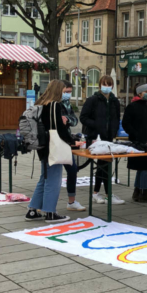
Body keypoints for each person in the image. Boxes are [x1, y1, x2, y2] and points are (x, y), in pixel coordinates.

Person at [25, 80, 83, 223]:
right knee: (53, 180)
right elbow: (58, 129)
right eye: (64, 90)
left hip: (42, 145)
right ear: (59, 90)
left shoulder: (41, 103)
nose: (66, 93)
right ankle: (50, 212)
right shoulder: (54, 105)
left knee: (44, 178)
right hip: (53, 146)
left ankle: (32, 210)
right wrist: (72, 141)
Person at [79, 75, 124, 205]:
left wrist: (114, 130)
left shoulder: (114, 101)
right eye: (104, 84)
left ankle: (104, 193)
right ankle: (99, 193)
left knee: (105, 165)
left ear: (112, 86)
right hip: (95, 138)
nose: (107, 87)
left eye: (109, 84)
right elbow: (83, 117)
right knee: (101, 166)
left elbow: (116, 118)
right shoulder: (93, 100)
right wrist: (97, 125)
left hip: (109, 137)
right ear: (100, 85)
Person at [122, 83, 147, 203]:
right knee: (145, 166)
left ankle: (138, 191)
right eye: (146, 91)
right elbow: (126, 124)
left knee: (144, 166)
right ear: (139, 93)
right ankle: (144, 192)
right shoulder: (132, 107)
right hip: (138, 142)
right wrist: (135, 136)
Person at [61, 80, 85, 211]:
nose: (68, 95)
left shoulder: (67, 104)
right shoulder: (55, 104)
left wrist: (67, 120)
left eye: (70, 92)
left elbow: (74, 120)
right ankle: (39, 204)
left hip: (66, 141)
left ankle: (71, 201)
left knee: (72, 170)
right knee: (48, 175)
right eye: (66, 92)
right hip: (57, 142)